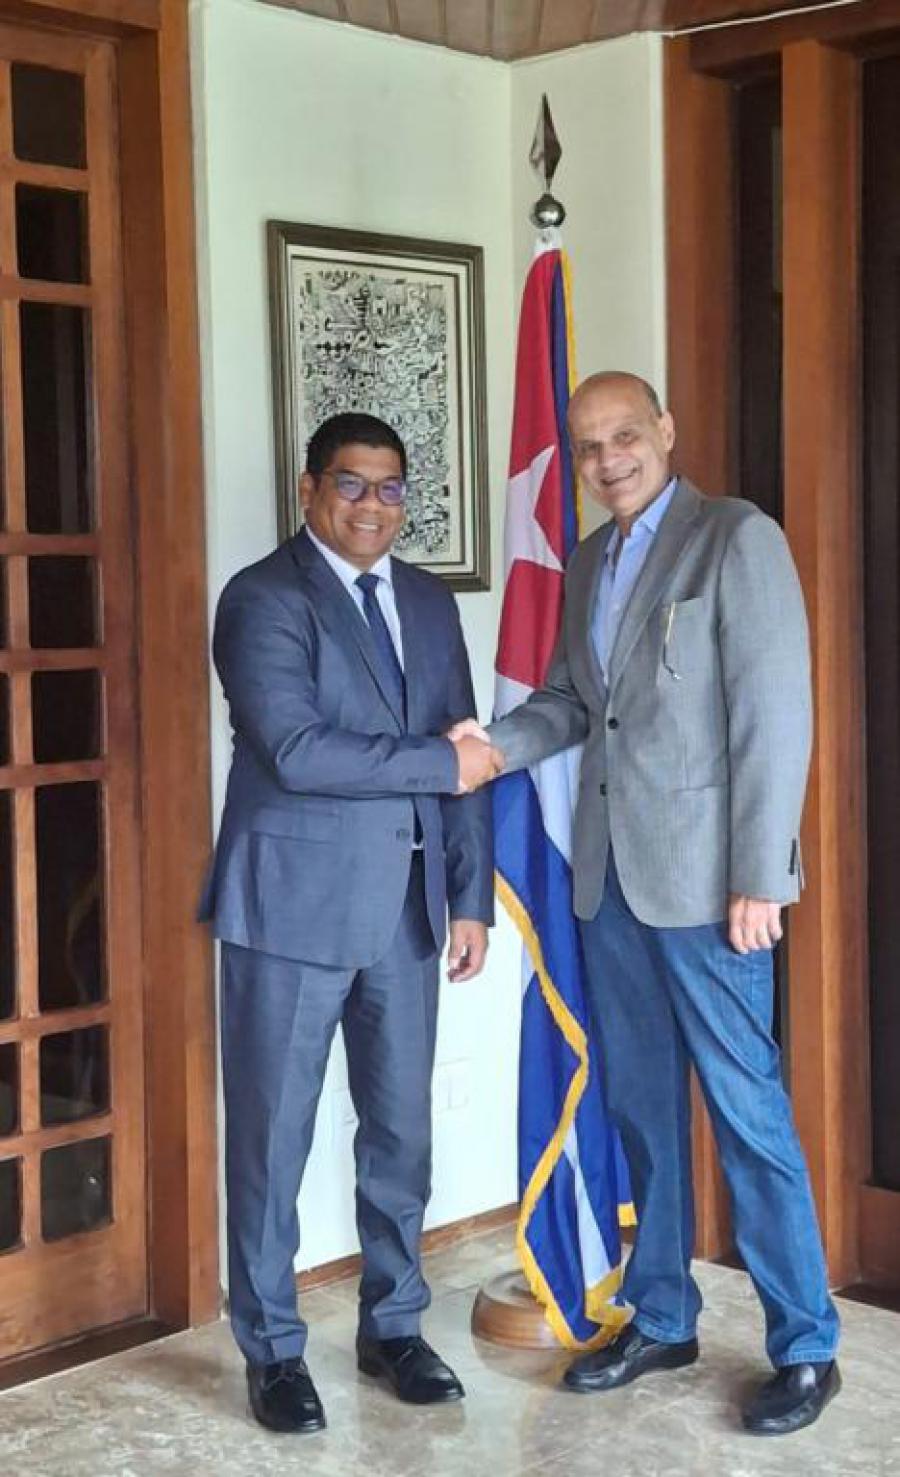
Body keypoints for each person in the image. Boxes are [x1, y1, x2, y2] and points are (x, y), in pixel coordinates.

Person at [454, 372, 840, 1437]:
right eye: (588, 446)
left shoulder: (735, 539)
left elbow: (774, 715)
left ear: (665, 430)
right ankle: (663, 1314)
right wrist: (492, 747)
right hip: (609, 885)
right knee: (641, 1109)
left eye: (626, 435)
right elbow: (573, 703)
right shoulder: (589, 559)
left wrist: (762, 874)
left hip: (713, 888)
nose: (608, 459)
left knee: (747, 1112)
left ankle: (806, 1343)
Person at [200, 411, 500, 1434]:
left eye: (390, 487)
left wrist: (469, 896)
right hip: (290, 909)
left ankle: (394, 1325)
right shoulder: (262, 598)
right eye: (351, 484)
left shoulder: (427, 600)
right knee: (272, 1138)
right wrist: (444, 761)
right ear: (309, 490)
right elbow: (298, 749)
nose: (372, 505)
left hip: (409, 912)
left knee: (402, 1133)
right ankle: (273, 1349)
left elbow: (465, 753)